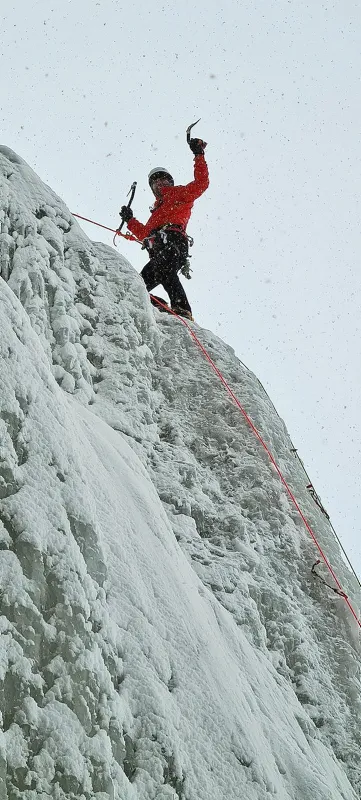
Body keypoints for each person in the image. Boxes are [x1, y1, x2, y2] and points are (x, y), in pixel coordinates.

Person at [119, 134, 209, 321]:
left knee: (165, 269)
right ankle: (155, 302)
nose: (159, 183)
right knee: (139, 283)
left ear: (170, 182)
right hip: (158, 246)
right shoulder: (156, 211)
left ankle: (182, 308)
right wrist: (130, 220)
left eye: (163, 180)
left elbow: (201, 183)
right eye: (155, 181)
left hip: (174, 240)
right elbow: (144, 233)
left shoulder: (179, 194)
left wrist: (199, 155)